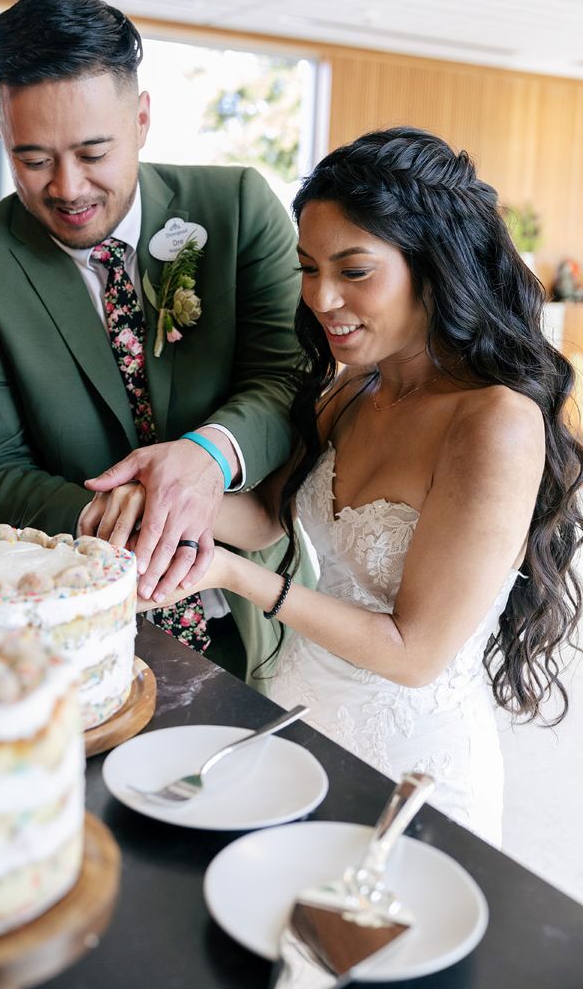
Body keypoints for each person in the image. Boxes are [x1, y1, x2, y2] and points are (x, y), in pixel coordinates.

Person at [95, 127, 582, 843]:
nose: (322, 298)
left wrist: (233, 575)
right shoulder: (353, 390)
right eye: (309, 267)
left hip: (412, 768)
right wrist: (166, 497)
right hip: (298, 727)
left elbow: (413, 654)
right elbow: (270, 516)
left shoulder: (494, 423)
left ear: (435, 266)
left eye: (355, 271)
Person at [0, 0, 311, 679]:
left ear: (142, 119)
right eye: (33, 159)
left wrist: (207, 457)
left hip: (259, 602)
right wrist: (128, 513)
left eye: (94, 153)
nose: (67, 187)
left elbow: (286, 379)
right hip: (76, 626)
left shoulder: (241, 207)